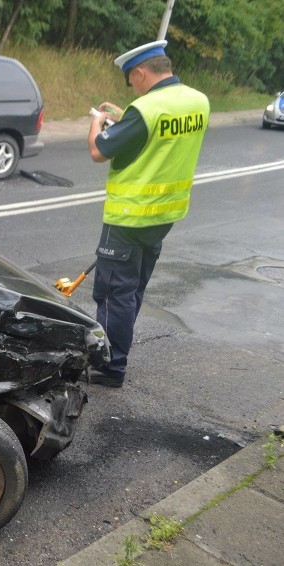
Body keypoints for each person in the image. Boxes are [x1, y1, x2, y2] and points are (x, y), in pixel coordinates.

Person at [87, 40, 210, 387]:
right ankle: (117, 351)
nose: (134, 88)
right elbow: (159, 133)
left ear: (141, 72)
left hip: (129, 217)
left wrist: (99, 121)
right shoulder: (198, 101)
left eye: (133, 80)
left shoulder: (146, 109)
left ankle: (111, 367)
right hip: (164, 216)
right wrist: (128, 115)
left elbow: (99, 150)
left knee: (114, 294)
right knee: (133, 288)